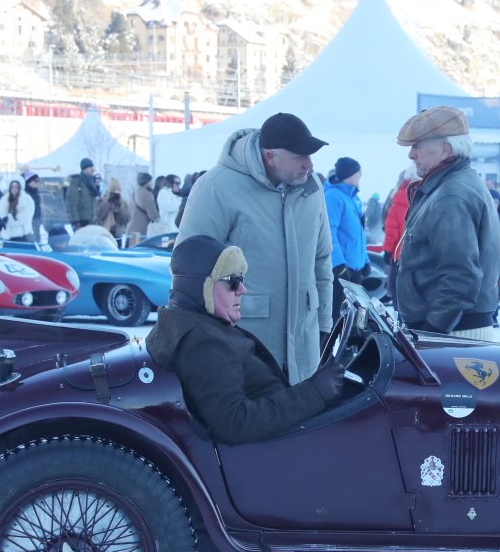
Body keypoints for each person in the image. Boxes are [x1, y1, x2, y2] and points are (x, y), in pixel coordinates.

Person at [178, 111, 334, 382]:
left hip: (303, 351)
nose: (309, 164)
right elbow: (188, 271)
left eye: (310, 155)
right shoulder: (216, 188)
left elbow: (321, 261)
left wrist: (323, 325)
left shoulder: (312, 190)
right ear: (270, 156)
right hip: (242, 348)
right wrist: (198, 343)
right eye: (299, 157)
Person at [144, 236, 346, 445]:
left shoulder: (186, 323)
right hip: (272, 452)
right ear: (202, 286)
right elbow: (234, 424)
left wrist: (313, 388)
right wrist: (315, 392)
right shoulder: (203, 343)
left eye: (241, 279)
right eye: (233, 281)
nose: (242, 289)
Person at [394, 105, 500, 338]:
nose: (411, 154)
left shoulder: (451, 196)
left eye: (417, 145)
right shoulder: (450, 186)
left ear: (445, 149)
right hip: (454, 328)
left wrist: (434, 330)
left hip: (453, 332)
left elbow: (460, 275)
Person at [323, 156, 368, 313]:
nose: (361, 175)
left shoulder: (353, 198)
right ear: (350, 174)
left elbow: (359, 234)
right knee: (337, 316)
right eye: (358, 172)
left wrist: (365, 260)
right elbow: (329, 233)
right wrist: (338, 265)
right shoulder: (332, 197)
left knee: (355, 318)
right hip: (342, 270)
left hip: (355, 270)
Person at [381, 170, 411, 304]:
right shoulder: (427, 195)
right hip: (420, 257)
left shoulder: (397, 198)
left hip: (399, 256)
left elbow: (391, 231)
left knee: (397, 294)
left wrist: (387, 251)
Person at [65, 157, 100, 228]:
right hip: (81, 221)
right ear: (85, 169)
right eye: (90, 167)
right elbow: (72, 204)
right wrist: (76, 222)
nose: (93, 170)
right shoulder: (76, 182)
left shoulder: (92, 182)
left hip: (92, 220)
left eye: (93, 167)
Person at [95, 177, 132, 241]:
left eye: (119, 190)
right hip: (105, 233)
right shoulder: (102, 200)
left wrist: (120, 206)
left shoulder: (124, 202)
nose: (117, 192)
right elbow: (99, 215)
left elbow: (127, 219)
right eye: (114, 190)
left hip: (117, 234)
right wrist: (108, 202)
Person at [131, 172, 158, 246]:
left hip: (132, 228)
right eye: (151, 181)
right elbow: (153, 215)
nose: (152, 183)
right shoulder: (147, 195)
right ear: (147, 182)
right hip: (141, 229)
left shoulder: (136, 192)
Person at [22, 171, 44, 241]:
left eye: (38, 180)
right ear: (29, 182)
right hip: (30, 221)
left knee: (37, 239)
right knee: (32, 240)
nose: (38, 182)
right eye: (36, 180)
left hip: (36, 219)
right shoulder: (25, 194)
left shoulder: (35, 192)